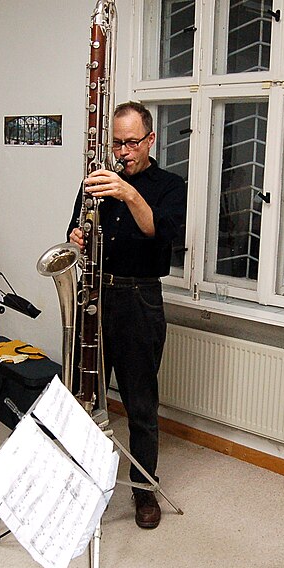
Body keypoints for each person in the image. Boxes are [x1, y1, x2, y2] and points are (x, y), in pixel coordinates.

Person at [67, 101, 186, 529]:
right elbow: (73, 230)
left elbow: (161, 231)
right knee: (87, 395)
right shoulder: (96, 182)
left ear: (150, 140)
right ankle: (87, 482)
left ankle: (144, 491)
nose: (123, 151)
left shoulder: (170, 185)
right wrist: (77, 235)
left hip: (139, 299)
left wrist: (128, 192)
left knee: (139, 402)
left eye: (132, 142)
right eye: (117, 142)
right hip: (95, 295)